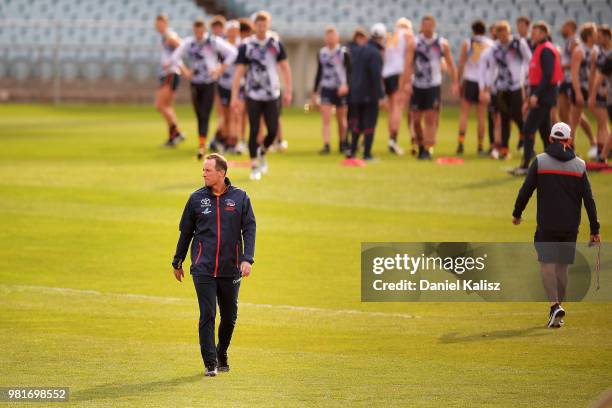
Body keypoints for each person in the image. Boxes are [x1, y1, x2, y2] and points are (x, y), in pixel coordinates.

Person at [172, 153, 256, 376]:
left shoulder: (240, 198)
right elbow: (186, 233)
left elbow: (249, 229)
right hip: (203, 268)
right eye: (203, 170)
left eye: (208, 170)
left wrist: (247, 258)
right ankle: (210, 363)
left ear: (221, 173)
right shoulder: (196, 199)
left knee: (229, 317)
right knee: (207, 314)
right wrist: (177, 260)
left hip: (231, 268)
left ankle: (222, 352)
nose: (203, 174)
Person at [512, 122, 600, 328]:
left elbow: (526, 190)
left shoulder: (540, 161)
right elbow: (589, 199)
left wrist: (517, 213)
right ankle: (558, 310)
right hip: (570, 226)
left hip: (547, 224)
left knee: (547, 265)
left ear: (550, 139)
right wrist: (595, 229)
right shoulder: (579, 165)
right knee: (562, 268)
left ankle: (554, 306)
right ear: (568, 141)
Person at [231, 11, 292, 180]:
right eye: (258, 24)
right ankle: (254, 166)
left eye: (264, 24)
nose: (261, 27)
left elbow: (285, 67)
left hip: (272, 93)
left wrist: (289, 90)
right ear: (254, 26)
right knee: (254, 128)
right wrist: (234, 95)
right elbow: (239, 72)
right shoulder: (247, 46)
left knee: (272, 130)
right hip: (253, 94)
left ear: (268, 25)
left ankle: (262, 151)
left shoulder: (275, 44)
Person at [173, 18, 237, 160]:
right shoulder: (189, 43)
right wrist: (185, 71)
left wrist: (220, 69)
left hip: (209, 82)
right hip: (195, 82)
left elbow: (232, 53)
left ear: (205, 30)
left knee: (205, 113)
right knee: (199, 114)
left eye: (201, 30)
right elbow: (175, 57)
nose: (198, 33)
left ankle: (202, 145)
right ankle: (203, 141)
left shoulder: (213, 42)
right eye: (196, 31)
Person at [402, 15, 458, 160]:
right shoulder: (414, 43)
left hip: (433, 85)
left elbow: (451, 64)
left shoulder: (441, 43)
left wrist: (455, 82)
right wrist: (406, 83)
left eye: (429, 25)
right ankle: (420, 144)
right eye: (424, 24)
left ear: (433, 26)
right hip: (417, 84)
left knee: (430, 117)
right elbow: (408, 65)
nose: (426, 27)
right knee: (415, 119)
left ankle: (427, 148)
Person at [510, 21, 563, 176]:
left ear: (544, 33)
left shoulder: (545, 50)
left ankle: (527, 165)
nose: (532, 35)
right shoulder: (540, 49)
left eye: (535, 32)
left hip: (543, 97)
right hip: (542, 96)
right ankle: (555, 163)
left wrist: (535, 95)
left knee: (528, 129)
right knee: (545, 132)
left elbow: (547, 75)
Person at [479, 21, 532, 159]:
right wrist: (487, 87)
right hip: (501, 88)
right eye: (499, 34)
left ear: (509, 32)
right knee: (504, 117)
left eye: (505, 33)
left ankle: (525, 139)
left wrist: (526, 78)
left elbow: (529, 61)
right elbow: (491, 68)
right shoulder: (494, 48)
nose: (502, 37)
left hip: (516, 86)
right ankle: (504, 149)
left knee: (517, 114)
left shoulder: (518, 44)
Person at [346, 23, 385, 161]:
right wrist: (381, 95)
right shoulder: (374, 53)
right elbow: (375, 75)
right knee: (369, 124)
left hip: (356, 92)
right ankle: (367, 154)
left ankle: (351, 151)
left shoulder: (360, 49)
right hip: (369, 93)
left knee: (357, 123)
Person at [312, 26, 350, 155]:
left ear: (337, 38)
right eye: (328, 37)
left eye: (333, 36)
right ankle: (326, 144)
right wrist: (315, 91)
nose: (331, 39)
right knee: (326, 119)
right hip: (326, 88)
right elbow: (319, 72)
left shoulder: (344, 52)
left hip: (340, 89)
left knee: (341, 119)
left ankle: (342, 143)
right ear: (325, 39)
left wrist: (346, 86)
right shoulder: (321, 53)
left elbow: (350, 72)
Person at [456, 19, 493, 155]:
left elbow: (461, 63)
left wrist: (458, 81)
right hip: (483, 82)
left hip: (470, 79)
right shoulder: (490, 44)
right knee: (481, 116)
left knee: (464, 113)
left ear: (473, 30)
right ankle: (480, 146)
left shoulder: (468, 43)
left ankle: (460, 143)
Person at [558, 20, 595, 141]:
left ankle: (575, 143)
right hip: (565, 80)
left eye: (564, 26)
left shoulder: (574, 42)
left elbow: (577, 63)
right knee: (569, 114)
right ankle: (587, 141)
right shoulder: (569, 41)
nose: (561, 29)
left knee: (574, 116)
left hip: (571, 81)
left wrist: (561, 66)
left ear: (570, 27)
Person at [383, 18, 413, 155]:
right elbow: (409, 57)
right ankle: (393, 140)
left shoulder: (390, 36)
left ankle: (392, 139)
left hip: (387, 73)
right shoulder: (407, 35)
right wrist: (406, 80)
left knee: (392, 108)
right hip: (399, 72)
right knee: (398, 107)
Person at [154, 14, 185, 147]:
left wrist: (172, 62)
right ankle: (173, 136)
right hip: (167, 74)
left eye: (160, 23)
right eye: (157, 24)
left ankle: (176, 132)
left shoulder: (169, 35)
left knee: (161, 105)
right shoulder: (164, 36)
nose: (158, 26)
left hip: (170, 73)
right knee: (167, 106)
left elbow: (181, 46)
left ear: (165, 24)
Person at [569, 22, 599, 158]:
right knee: (574, 120)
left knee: (578, 117)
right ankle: (570, 149)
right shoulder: (579, 51)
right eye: (594, 32)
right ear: (588, 36)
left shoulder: (594, 50)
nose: (597, 34)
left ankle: (596, 143)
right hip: (579, 88)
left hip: (589, 88)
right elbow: (574, 74)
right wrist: (578, 92)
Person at [217, 20, 242, 153]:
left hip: (238, 85)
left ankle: (234, 141)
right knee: (225, 115)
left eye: (235, 30)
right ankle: (226, 141)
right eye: (230, 30)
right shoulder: (222, 46)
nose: (233, 32)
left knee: (236, 113)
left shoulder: (242, 45)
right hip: (224, 83)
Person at [588, 25, 611, 161]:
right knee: (602, 122)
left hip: (608, 91)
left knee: (604, 123)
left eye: (600, 36)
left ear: (608, 36)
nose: (598, 39)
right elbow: (592, 73)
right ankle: (602, 152)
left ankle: (603, 152)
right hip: (599, 92)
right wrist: (592, 92)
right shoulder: (597, 52)